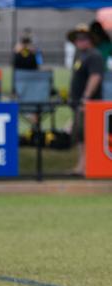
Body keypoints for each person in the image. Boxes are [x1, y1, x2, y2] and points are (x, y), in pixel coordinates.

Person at [67, 24, 104, 175]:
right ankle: (81, 165)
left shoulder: (94, 55)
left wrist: (86, 98)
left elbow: (95, 77)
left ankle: (88, 166)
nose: (80, 41)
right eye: (78, 38)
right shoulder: (79, 55)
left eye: (84, 38)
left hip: (88, 104)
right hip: (77, 103)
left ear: (90, 39)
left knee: (88, 134)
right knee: (80, 135)